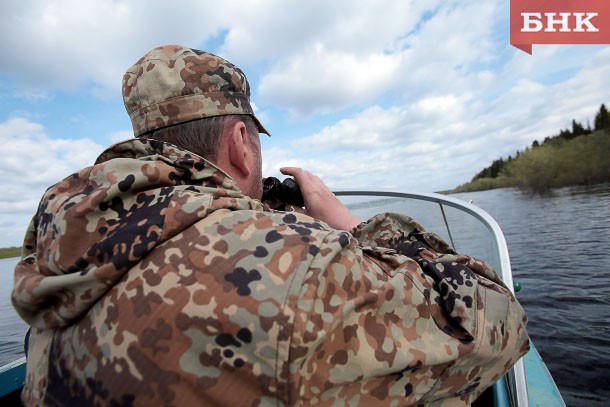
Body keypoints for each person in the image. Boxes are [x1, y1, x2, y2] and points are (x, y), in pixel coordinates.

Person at [12, 44, 529, 406]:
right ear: (240, 142)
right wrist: (351, 223)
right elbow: (500, 320)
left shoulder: (62, 250)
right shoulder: (296, 273)